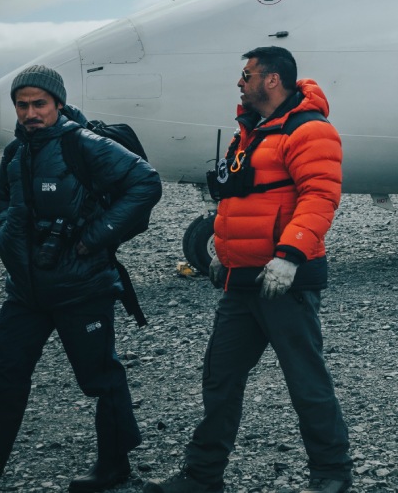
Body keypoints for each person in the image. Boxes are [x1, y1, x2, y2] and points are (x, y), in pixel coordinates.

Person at [0, 66, 162, 493]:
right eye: (23, 104)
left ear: (57, 104)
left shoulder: (83, 144)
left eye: (39, 104)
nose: (30, 112)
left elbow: (145, 182)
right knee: (3, 381)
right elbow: (4, 196)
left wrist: (95, 237)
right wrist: (6, 236)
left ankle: (114, 465)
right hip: (26, 293)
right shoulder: (16, 151)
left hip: (82, 287)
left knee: (99, 379)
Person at [146, 47, 352, 493]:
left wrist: (290, 256)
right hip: (241, 281)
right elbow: (240, 197)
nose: (240, 83)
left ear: (273, 80)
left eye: (247, 75)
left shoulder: (311, 130)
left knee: (305, 382)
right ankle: (202, 477)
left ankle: (332, 475)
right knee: (220, 378)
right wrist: (222, 252)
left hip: (286, 280)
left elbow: (319, 196)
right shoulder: (252, 131)